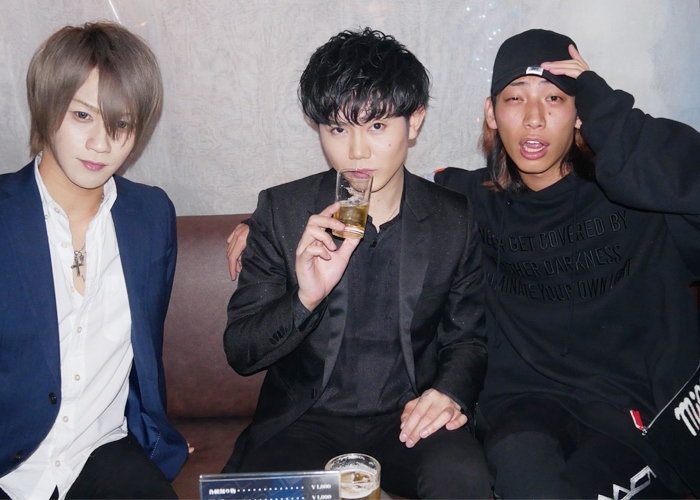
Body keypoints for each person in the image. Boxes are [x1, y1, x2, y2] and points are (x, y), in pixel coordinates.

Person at [222, 28, 491, 499]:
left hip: (407, 420)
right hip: (304, 421)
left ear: (415, 121)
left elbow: (467, 337)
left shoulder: (453, 218)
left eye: (378, 126)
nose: (357, 151)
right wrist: (305, 298)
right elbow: (240, 352)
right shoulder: (283, 212)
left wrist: (448, 392)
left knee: (463, 480)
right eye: (338, 129)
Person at [430, 29, 700, 498]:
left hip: (631, 415)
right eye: (515, 98)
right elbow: (381, 198)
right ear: (492, 114)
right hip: (520, 410)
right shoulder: (467, 201)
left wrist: (606, 109)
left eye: (554, 98)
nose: (534, 118)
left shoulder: (638, 199)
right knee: (524, 475)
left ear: (580, 114)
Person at [0, 22, 187, 499]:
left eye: (121, 124)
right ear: (45, 106)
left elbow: (145, 345)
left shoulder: (151, 216)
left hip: (100, 451)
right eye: (82, 115)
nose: (102, 144)